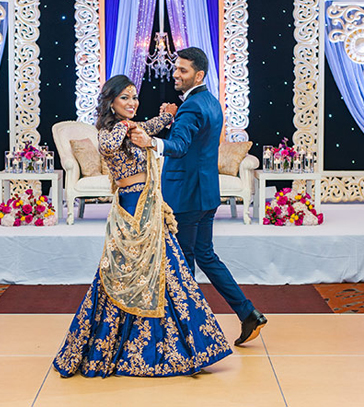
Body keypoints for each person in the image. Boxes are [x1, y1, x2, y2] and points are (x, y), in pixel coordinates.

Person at [53, 75, 231, 378]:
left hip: (150, 209)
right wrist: (132, 126)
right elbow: (108, 143)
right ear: (111, 101)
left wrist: (166, 116)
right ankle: (117, 349)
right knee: (124, 276)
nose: (132, 103)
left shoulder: (134, 128)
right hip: (132, 213)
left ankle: (188, 347)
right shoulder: (109, 132)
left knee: (171, 275)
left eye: (134, 97)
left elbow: (152, 128)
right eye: (125, 98)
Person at [130, 47, 267, 346]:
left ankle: (190, 334)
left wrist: (150, 141)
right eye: (176, 69)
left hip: (185, 197)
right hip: (205, 194)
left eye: (183, 70)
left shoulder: (192, 106)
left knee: (182, 262)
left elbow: (178, 146)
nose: (175, 74)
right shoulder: (210, 101)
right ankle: (247, 314)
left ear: (199, 74)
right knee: (203, 255)